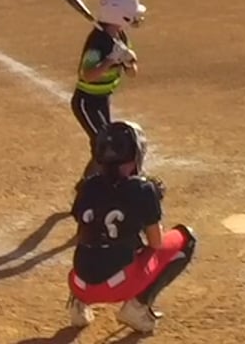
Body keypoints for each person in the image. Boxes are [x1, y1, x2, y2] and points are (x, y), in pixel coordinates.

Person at [66, 120, 196, 334]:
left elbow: (88, 230)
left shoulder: (87, 185)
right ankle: (137, 307)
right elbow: (156, 243)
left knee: (95, 242)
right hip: (119, 285)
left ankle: (77, 304)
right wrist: (147, 206)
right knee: (186, 239)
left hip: (78, 282)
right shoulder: (142, 189)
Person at [71, 0, 146, 180]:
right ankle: (88, 187)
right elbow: (87, 75)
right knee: (103, 144)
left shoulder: (121, 38)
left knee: (103, 144)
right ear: (120, 15)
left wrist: (128, 61)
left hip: (103, 98)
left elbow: (132, 74)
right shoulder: (97, 43)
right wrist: (110, 60)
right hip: (86, 101)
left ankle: (92, 184)